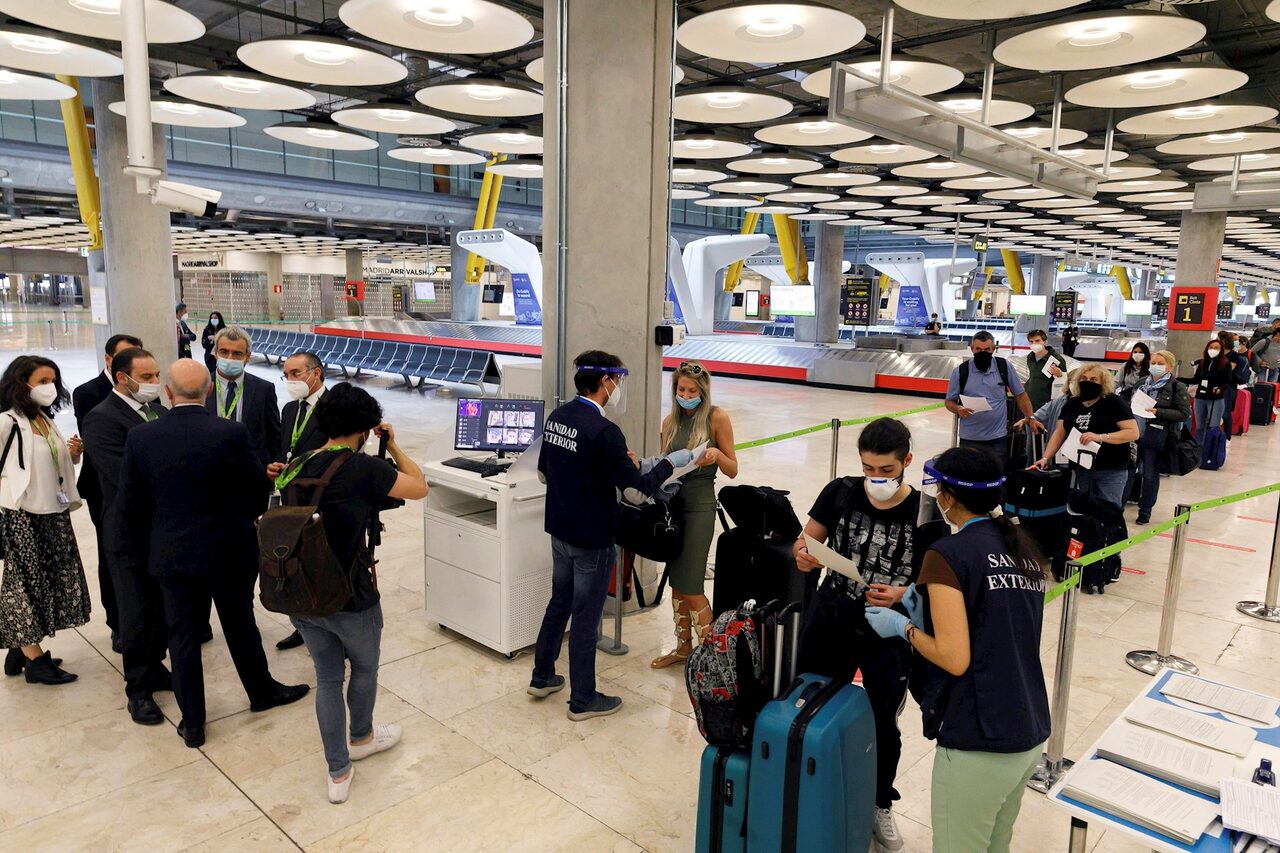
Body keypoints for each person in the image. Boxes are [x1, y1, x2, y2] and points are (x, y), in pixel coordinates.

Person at [112, 360, 309, 748]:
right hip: (229, 550)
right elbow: (256, 489)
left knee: (182, 636)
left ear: (168, 393)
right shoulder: (230, 432)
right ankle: (262, 692)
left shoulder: (142, 437)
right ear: (207, 393)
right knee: (240, 624)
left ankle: (194, 721)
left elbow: (130, 502)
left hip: (172, 554)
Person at [864, 447, 1050, 853]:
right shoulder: (1023, 549)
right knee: (995, 844)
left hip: (979, 738)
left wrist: (904, 626)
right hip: (1028, 725)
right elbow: (995, 623)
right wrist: (927, 607)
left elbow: (954, 656)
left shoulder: (947, 554)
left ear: (947, 496)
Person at [791, 418, 944, 852]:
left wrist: (902, 592)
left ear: (907, 462)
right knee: (813, 701)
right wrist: (805, 555)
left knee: (882, 721)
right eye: (868, 469)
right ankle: (808, 782)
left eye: (886, 471)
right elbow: (806, 541)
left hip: (889, 630)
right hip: (833, 616)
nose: (875, 479)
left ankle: (879, 802)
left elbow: (936, 584)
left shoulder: (926, 512)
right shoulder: (840, 491)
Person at [273, 383, 428, 804]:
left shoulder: (295, 464)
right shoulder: (361, 469)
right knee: (364, 669)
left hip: (302, 591)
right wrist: (392, 445)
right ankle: (361, 737)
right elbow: (419, 486)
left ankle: (338, 773)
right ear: (364, 426)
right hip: (351, 594)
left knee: (326, 678)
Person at [528, 350, 691, 721]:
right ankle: (583, 699)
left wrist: (608, 467)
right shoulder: (605, 431)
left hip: (560, 530)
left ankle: (543, 675)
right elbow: (636, 492)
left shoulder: (558, 417)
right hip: (593, 539)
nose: (618, 387)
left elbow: (546, 473)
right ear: (605, 382)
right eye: (617, 380)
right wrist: (670, 463)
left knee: (560, 602)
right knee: (586, 617)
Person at [81, 347, 171, 724]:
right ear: (123, 379)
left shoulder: (158, 412)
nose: (154, 383)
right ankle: (138, 689)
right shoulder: (102, 419)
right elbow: (123, 478)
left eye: (155, 376)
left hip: (163, 529)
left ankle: (156, 666)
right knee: (134, 611)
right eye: (147, 377)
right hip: (129, 530)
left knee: (160, 608)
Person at [0, 355, 90, 685]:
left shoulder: (44, 419)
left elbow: (50, 463)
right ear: (20, 384)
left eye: (52, 380)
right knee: (23, 583)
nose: (49, 387)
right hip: (21, 515)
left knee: (48, 578)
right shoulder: (6, 422)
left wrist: (73, 455)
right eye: (41, 381)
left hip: (52, 511)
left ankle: (21, 646)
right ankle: (35, 661)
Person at [649, 361, 738, 669]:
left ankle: (716, 659)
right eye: (681, 390)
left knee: (692, 584)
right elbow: (663, 465)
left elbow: (733, 468)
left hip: (700, 505)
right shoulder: (669, 422)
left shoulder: (716, 418)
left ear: (703, 391)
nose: (685, 395)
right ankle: (684, 648)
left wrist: (716, 455)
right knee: (676, 581)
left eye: (691, 391)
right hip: (674, 507)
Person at [72, 332, 143, 652]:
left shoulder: (143, 390)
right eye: (125, 356)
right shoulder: (89, 393)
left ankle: (143, 620)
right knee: (110, 553)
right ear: (110, 360)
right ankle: (117, 622)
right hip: (104, 484)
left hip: (142, 485)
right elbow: (100, 441)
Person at [268, 350, 329, 652]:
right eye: (286, 375)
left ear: (315, 373)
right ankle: (302, 626)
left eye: (295, 374)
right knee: (293, 562)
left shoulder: (335, 408)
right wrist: (277, 465)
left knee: (322, 564)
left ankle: (330, 628)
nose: (290, 380)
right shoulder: (290, 409)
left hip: (322, 499)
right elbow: (286, 450)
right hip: (290, 498)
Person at [1034, 363, 1140, 510]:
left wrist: (1100, 437)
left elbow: (1132, 432)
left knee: (1109, 510)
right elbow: (1059, 433)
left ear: (1102, 382)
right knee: (1084, 509)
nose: (1088, 382)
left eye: (1093, 379)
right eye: (1084, 378)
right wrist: (1046, 458)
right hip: (1082, 468)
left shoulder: (1114, 402)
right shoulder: (1072, 404)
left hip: (1111, 468)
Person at [944, 331, 1042, 469]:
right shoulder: (961, 371)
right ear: (972, 349)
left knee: (995, 476)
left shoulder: (1004, 367)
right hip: (970, 438)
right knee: (970, 476)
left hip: (997, 438)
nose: (982, 352)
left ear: (993, 349)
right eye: (978, 349)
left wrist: (1030, 418)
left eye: (987, 349)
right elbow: (949, 402)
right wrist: (958, 409)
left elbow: (1020, 395)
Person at [204, 325, 281, 500]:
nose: (229, 358)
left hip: (252, 480)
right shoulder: (200, 386)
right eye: (224, 351)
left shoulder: (263, 389)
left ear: (247, 357)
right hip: (209, 477)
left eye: (237, 353)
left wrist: (270, 471)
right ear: (215, 353)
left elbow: (274, 435)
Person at [1127, 351, 1190, 526]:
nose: (1155, 366)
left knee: (1150, 474)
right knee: (1129, 471)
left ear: (1169, 366)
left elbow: (1184, 413)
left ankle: (1145, 510)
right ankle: (1120, 504)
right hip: (1134, 434)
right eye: (1153, 362)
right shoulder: (1141, 384)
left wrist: (1159, 412)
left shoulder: (1177, 387)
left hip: (1156, 436)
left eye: (1160, 363)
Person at [1189, 338, 1235, 445]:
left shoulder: (1225, 363)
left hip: (1215, 399)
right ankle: (1198, 449)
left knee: (1213, 426)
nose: (1213, 350)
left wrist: (1220, 389)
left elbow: (1228, 381)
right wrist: (1178, 379)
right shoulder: (1202, 363)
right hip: (1200, 397)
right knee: (1200, 426)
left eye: (1216, 348)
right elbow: (1196, 379)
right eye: (1211, 347)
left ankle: (1211, 449)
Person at [1022, 329, 1066, 412]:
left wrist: (1060, 375)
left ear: (1045, 342)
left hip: (1046, 402)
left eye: (1037, 340)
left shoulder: (1057, 359)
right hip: (1030, 399)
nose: (1034, 344)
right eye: (1031, 341)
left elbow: (1064, 382)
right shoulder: (1030, 358)